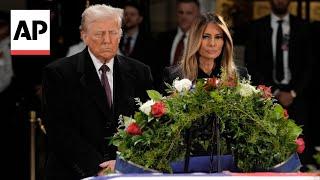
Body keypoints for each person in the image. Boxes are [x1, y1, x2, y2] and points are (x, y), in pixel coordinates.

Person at [42, 4, 153, 180]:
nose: (107, 40)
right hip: (75, 172)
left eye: (113, 32)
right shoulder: (59, 73)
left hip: (125, 172)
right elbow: (60, 130)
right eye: (99, 33)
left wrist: (122, 163)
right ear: (84, 36)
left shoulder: (140, 72)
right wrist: (98, 167)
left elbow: (148, 125)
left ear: (120, 35)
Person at [244, 0, 312, 164]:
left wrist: (294, 93)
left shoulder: (304, 27)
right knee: (267, 151)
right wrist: (274, 92)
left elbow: (311, 64)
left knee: (301, 152)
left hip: (299, 97)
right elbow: (251, 65)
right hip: (267, 97)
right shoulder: (256, 27)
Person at [162, 12, 247, 88]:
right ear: (195, 39)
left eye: (218, 37)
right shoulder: (173, 76)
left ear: (224, 41)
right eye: (205, 36)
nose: (212, 43)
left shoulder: (240, 76)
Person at [157, 0, 200, 68]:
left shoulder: (201, 39)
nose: (184, 17)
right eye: (181, 12)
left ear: (197, 15)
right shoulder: (162, 38)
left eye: (189, 13)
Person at [119, 1, 156, 78]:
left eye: (132, 14)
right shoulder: (115, 39)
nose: (128, 17)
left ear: (140, 19)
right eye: (125, 14)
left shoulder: (150, 42)